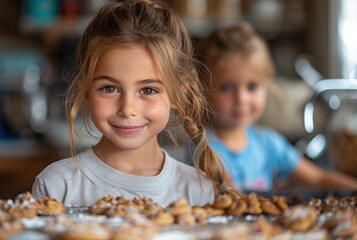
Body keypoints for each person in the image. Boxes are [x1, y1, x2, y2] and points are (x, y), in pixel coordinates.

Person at [32, 0, 239, 207]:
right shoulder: (57, 187)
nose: (127, 109)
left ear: (178, 94)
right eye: (109, 88)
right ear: (86, 90)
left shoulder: (198, 191)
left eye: (148, 90)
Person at [197, 22, 357, 191]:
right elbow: (232, 196)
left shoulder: (268, 143)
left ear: (267, 86)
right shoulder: (203, 149)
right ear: (203, 89)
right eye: (226, 87)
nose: (241, 99)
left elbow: (317, 178)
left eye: (252, 87)